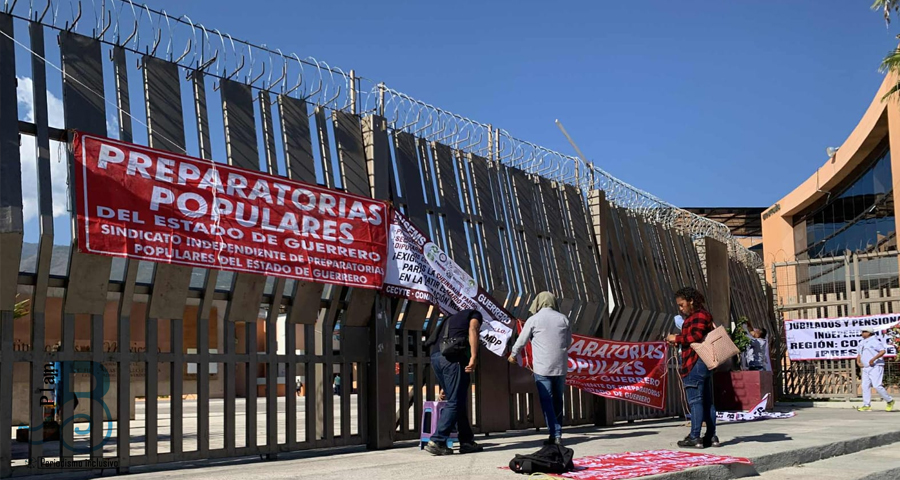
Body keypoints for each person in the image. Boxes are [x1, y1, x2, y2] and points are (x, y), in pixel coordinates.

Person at [508, 291, 572, 445]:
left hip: (543, 368)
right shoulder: (563, 319)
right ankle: (557, 433)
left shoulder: (534, 319)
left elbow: (521, 341)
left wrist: (513, 355)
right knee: (558, 400)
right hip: (560, 367)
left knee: (546, 401)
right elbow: (568, 342)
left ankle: (555, 434)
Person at [423, 309, 484, 456]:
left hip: (436, 357)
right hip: (453, 357)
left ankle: (466, 441)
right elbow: (473, 329)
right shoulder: (474, 314)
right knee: (455, 401)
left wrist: (445, 386)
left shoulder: (449, 319)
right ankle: (437, 440)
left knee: (458, 400)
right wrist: (474, 356)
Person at [666, 287, 719, 449]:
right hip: (703, 363)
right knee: (707, 402)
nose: (680, 309)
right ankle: (711, 437)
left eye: (682, 305)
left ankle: (695, 436)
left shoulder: (699, 315)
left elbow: (695, 336)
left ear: (691, 301)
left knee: (695, 401)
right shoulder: (700, 315)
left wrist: (676, 338)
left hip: (695, 362)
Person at [856, 328, 895, 412]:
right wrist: (858, 362)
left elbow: (882, 351)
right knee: (865, 385)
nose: (862, 333)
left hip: (876, 365)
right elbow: (859, 353)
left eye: (864, 332)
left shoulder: (875, 341)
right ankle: (866, 405)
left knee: (877, 385)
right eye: (862, 332)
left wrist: (873, 359)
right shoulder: (862, 342)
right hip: (866, 367)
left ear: (869, 333)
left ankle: (889, 401)